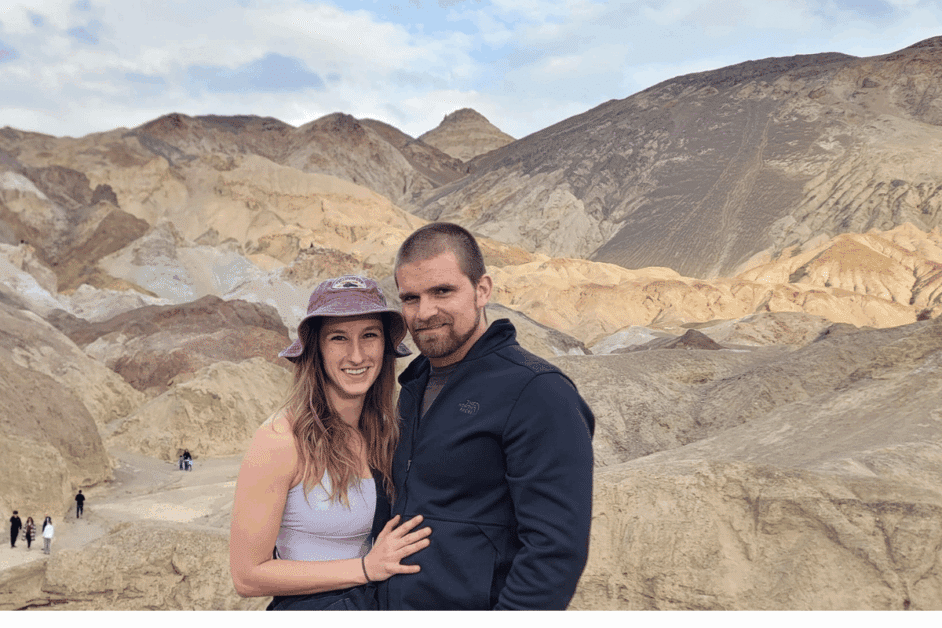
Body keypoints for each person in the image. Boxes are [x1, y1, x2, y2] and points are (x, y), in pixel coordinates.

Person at [382, 222, 595, 610]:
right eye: (410, 298)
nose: (424, 312)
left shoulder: (538, 392)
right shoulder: (413, 389)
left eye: (442, 291)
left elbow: (555, 552)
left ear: (482, 290)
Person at [229, 275, 432, 611]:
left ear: (385, 346)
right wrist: (366, 568)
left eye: (369, 335)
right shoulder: (280, 441)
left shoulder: (385, 434)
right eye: (339, 338)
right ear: (316, 350)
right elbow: (247, 577)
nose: (356, 355)